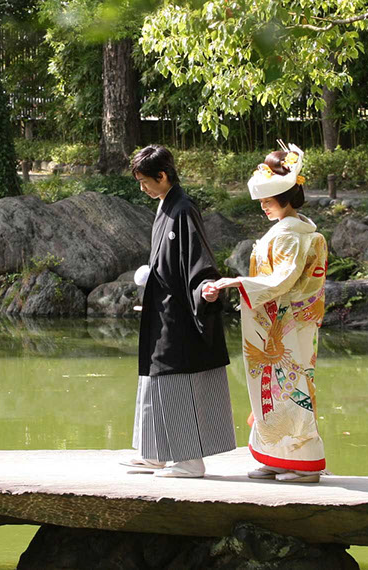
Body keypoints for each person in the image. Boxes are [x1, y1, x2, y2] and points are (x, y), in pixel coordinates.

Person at [202, 141, 328, 483]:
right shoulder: (293, 230)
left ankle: (302, 462)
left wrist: (234, 282)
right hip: (281, 319)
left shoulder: (290, 234)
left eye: (268, 203)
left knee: (290, 385)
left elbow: (281, 279)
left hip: (287, 322)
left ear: (286, 199)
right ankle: (275, 456)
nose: (263, 209)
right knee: (272, 387)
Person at [121, 144, 235, 478]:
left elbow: (198, 259)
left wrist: (206, 290)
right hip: (162, 306)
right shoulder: (165, 206)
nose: (143, 188)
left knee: (174, 377)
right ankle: (154, 453)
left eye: (146, 181)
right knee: (154, 376)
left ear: (164, 175)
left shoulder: (183, 209)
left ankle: (189, 459)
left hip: (179, 309)